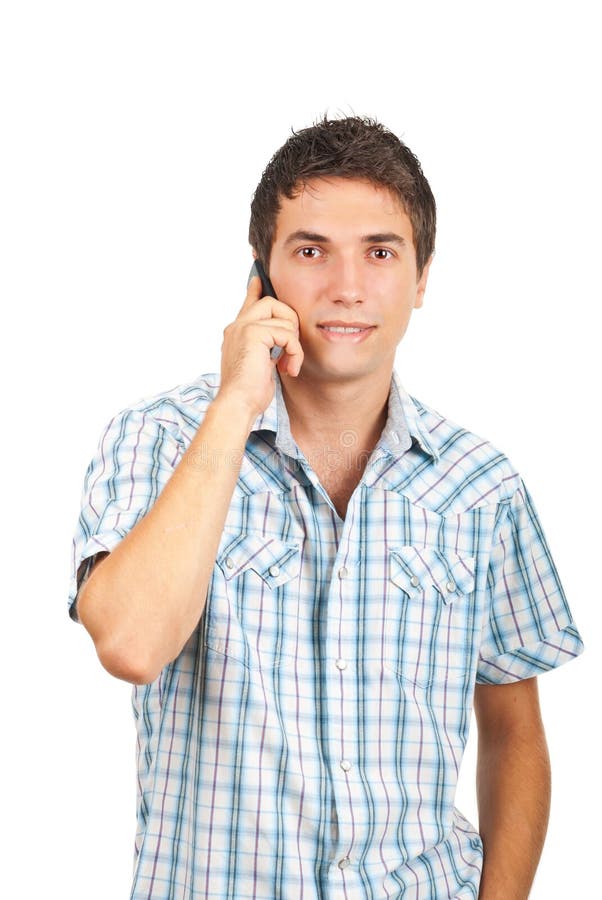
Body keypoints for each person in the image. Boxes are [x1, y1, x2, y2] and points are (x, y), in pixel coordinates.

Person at [68, 114, 585, 899]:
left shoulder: (482, 485)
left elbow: (514, 733)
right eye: (311, 252)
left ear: (421, 277)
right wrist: (238, 404)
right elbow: (132, 645)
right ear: (261, 277)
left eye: (381, 252)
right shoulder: (162, 439)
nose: (348, 286)